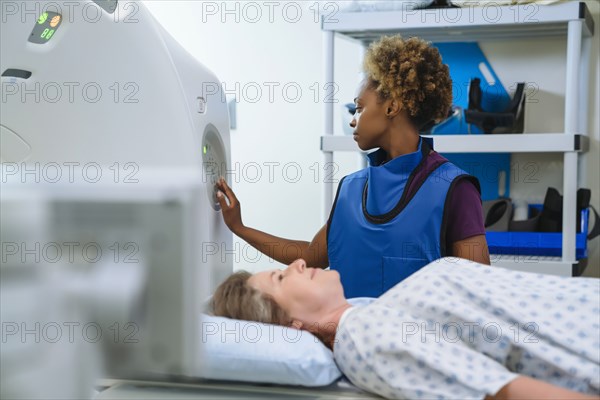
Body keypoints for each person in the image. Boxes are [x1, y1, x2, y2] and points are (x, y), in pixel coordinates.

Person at [216, 35, 490, 298]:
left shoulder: (454, 188)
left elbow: (480, 290)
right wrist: (240, 227)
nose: (353, 120)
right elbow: (310, 257)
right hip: (347, 342)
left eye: (359, 108)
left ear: (392, 107)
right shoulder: (351, 188)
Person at [211, 258, 600, 400]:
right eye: (280, 277)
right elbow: (501, 392)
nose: (296, 262)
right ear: (293, 326)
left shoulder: (370, 313)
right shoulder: (362, 336)